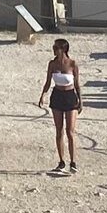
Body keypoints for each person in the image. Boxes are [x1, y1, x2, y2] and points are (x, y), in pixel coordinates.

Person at [36, 38, 83, 175]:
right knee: (59, 130)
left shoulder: (72, 64)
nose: (54, 49)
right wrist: (43, 95)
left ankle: (73, 161)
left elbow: (77, 84)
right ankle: (61, 161)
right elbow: (48, 81)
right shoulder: (52, 64)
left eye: (56, 47)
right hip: (57, 96)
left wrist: (81, 101)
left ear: (63, 49)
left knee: (70, 131)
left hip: (70, 96)